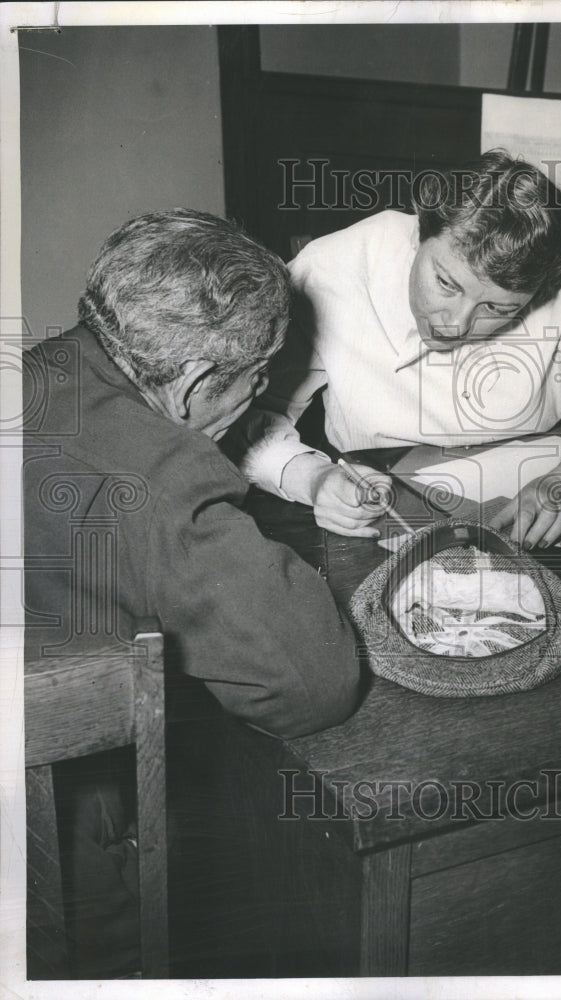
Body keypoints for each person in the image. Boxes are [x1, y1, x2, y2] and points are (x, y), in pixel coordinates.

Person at [24, 209, 361, 976]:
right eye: (259, 374)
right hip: (46, 868)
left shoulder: (36, 369)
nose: (262, 390)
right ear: (201, 381)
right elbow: (313, 684)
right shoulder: (165, 478)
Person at [234, 150, 561, 548]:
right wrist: (312, 479)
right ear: (419, 231)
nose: (456, 323)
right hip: (379, 499)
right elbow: (245, 416)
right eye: (445, 283)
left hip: (538, 478)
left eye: (497, 307)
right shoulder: (331, 269)